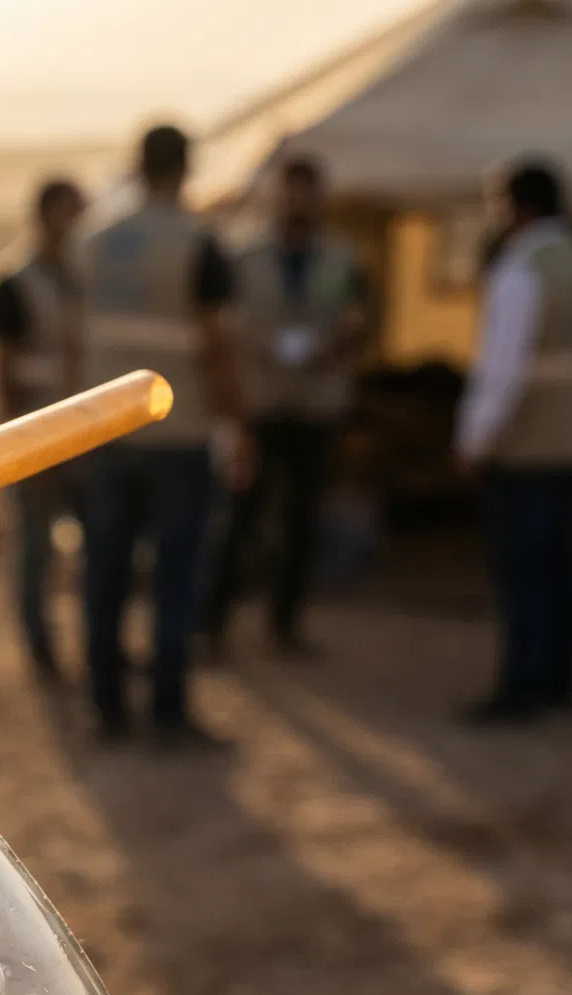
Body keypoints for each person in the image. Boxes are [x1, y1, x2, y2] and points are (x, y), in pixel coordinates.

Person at [75, 125, 252, 746]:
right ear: (187, 168)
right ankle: (169, 714)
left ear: (137, 164)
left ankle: (105, 708)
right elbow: (217, 347)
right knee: (175, 578)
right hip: (178, 438)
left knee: (105, 576)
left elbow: (76, 339)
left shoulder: (92, 239)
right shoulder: (199, 244)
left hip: (105, 438)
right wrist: (238, 426)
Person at [456, 159, 572, 724]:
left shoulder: (521, 269)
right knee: (566, 566)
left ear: (517, 207)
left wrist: (474, 440)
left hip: (528, 447)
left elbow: (501, 369)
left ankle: (522, 685)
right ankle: (561, 679)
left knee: (524, 568)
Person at [205, 155, 369, 656]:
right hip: (259, 406)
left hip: (316, 405)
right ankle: (213, 626)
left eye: (306, 192)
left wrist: (334, 348)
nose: (297, 202)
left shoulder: (342, 260)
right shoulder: (244, 258)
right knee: (240, 518)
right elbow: (223, 325)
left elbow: (357, 320)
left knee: (303, 521)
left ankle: (286, 625)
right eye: (289, 191)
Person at [0, 178, 88, 679]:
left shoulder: (87, 276)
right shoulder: (14, 283)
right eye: (68, 213)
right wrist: (13, 445)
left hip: (91, 432)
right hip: (36, 433)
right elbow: (5, 371)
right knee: (36, 546)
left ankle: (95, 645)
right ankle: (42, 649)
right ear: (44, 216)